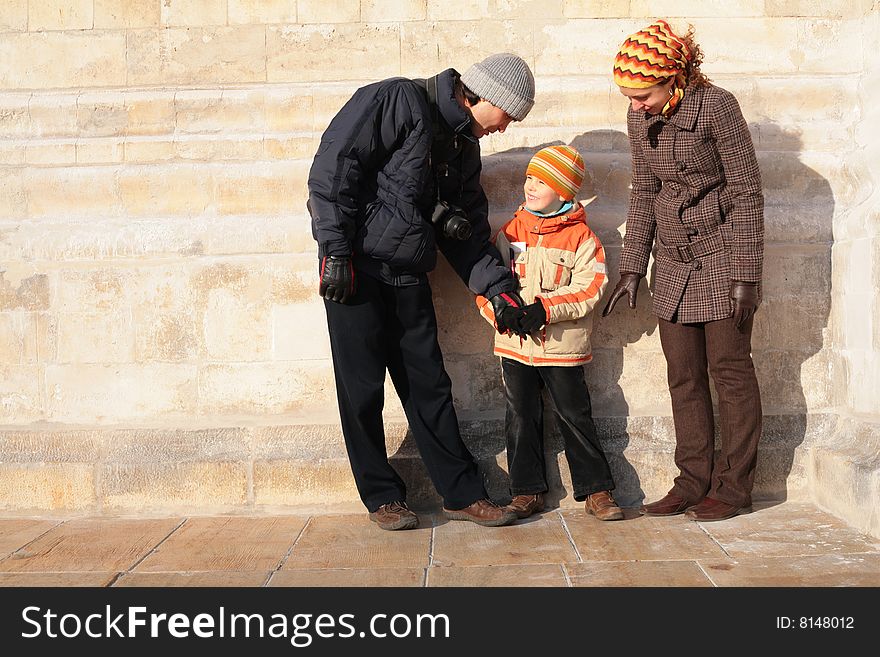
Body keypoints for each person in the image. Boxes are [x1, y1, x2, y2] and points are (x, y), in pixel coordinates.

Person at [307, 53, 537, 530]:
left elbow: (468, 232)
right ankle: (382, 496)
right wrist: (335, 253)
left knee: (429, 387)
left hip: (409, 275)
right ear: (485, 97)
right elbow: (333, 170)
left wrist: (500, 291)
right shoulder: (397, 98)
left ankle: (462, 494)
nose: (506, 129)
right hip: (357, 272)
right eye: (508, 116)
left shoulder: (463, 148)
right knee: (361, 391)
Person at [603, 20, 764, 522]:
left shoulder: (717, 106)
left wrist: (746, 274)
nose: (635, 105)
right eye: (627, 96)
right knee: (683, 377)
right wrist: (632, 265)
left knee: (730, 373)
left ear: (675, 77)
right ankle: (691, 482)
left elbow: (745, 192)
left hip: (720, 255)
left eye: (643, 94)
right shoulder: (639, 119)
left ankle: (734, 489)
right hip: (672, 263)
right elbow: (644, 192)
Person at [476, 145, 623, 521]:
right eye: (529, 178)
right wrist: (501, 314)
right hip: (516, 347)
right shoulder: (510, 231)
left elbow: (591, 288)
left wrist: (545, 309)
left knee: (574, 414)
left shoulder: (581, 237)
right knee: (519, 415)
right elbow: (487, 282)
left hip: (562, 348)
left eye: (541, 181)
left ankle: (597, 490)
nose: (530, 186)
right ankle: (526, 490)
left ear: (563, 191)